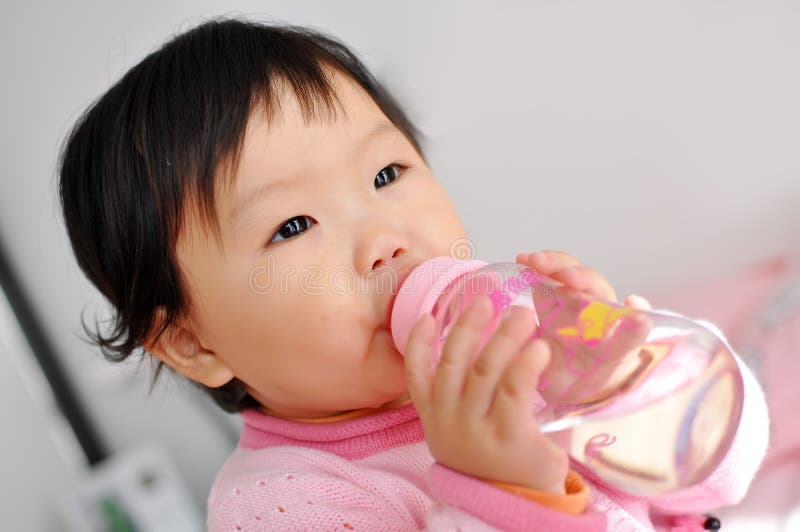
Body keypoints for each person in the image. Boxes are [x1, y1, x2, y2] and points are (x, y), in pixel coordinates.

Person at [57, 17, 769, 531]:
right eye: (293, 226)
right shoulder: (281, 505)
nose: (384, 239)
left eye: (387, 173)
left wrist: (628, 380)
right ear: (194, 344)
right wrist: (500, 488)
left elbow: (725, 475)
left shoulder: (521, 356)